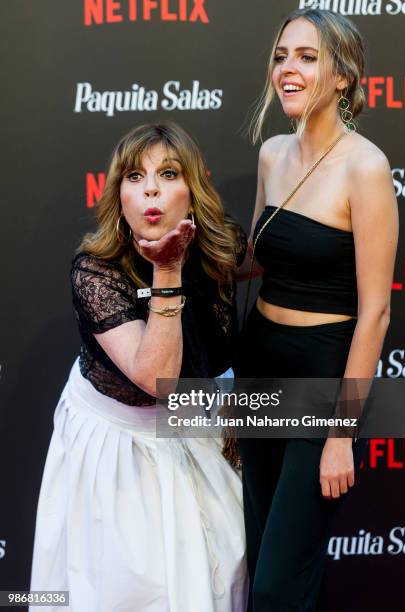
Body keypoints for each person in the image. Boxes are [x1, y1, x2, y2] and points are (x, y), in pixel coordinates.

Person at [30, 122, 248, 612]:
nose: (150, 187)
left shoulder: (220, 246)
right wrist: (167, 271)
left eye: (168, 173)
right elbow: (156, 381)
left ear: (192, 193)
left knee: (222, 580)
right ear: (119, 198)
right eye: (134, 176)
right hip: (119, 450)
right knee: (130, 592)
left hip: (197, 434)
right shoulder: (95, 269)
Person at [236, 8, 398, 612]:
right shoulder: (273, 153)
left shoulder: (366, 167)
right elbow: (259, 258)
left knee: (279, 585)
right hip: (260, 365)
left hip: (323, 377)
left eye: (307, 57)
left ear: (343, 78)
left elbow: (376, 313)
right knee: (269, 564)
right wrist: (178, 251)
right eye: (282, 56)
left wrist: (340, 433)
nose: (288, 69)